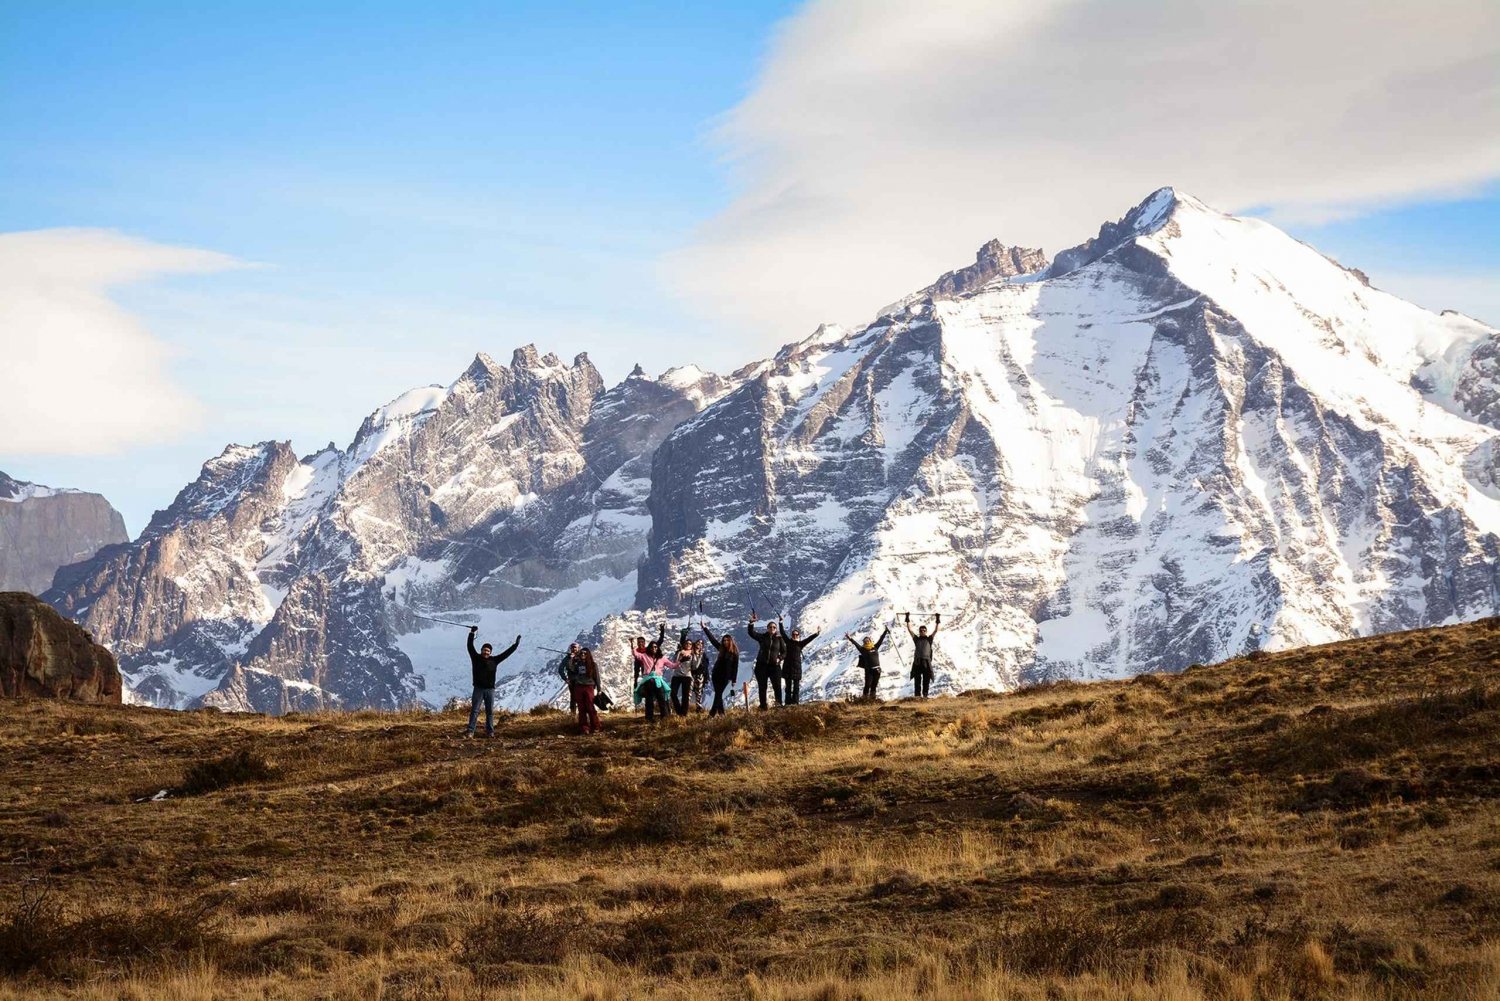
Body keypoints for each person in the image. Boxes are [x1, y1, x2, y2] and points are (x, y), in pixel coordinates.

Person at [465, 627, 521, 737]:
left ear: (490, 652)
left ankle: (490, 732)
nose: (486, 652)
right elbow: (470, 646)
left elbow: (506, 653)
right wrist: (471, 633)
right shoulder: (476, 658)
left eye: (488, 651)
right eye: (484, 650)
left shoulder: (494, 660)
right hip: (478, 689)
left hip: (490, 690)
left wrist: (516, 645)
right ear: (481, 651)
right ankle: (470, 731)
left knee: (489, 712)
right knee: (475, 710)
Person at [746, 613, 787, 709]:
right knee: (762, 687)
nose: (772, 628)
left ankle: (779, 705)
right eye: (770, 627)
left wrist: (780, 658)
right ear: (767, 628)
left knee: (777, 687)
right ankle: (763, 706)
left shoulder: (779, 639)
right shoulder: (762, 637)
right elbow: (751, 633)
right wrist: (751, 623)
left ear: (776, 629)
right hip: (762, 666)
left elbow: (785, 652)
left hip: (775, 666)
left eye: (774, 627)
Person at [701, 622, 740, 717]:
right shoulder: (721, 648)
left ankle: (712, 714)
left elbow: (735, 667)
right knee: (718, 694)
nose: (725, 642)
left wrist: (734, 679)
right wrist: (705, 628)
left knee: (718, 694)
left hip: (726, 677)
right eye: (724, 640)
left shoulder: (735, 653)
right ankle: (721, 713)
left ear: (730, 641)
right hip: (716, 675)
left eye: (727, 640)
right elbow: (712, 640)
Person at [844, 626, 889, 701]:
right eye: (865, 641)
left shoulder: (875, 647)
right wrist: (849, 638)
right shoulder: (863, 649)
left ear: (870, 641)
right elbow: (856, 644)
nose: (867, 641)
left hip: (877, 669)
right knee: (867, 685)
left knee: (874, 685)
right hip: (869, 670)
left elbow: (881, 640)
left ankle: (872, 699)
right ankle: (864, 699)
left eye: (868, 640)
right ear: (864, 642)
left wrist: (885, 632)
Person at [781, 620, 821, 706]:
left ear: (799, 636)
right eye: (793, 634)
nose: (795, 636)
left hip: (796, 668)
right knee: (788, 687)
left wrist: (817, 634)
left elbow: (809, 639)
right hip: (787, 667)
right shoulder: (788, 642)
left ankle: (795, 702)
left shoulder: (801, 644)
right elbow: (782, 633)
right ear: (791, 635)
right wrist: (780, 623)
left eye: (796, 635)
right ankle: (788, 702)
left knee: (796, 687)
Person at [633, 638, 672, 723]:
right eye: (652, 647)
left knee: (661, 698)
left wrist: (680, 661)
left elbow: (672, 665)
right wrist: (633, 646)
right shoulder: (644, 656)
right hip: (649, 680)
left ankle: (664, 717)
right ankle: (650, 718)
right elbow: (635, 654)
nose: (654, 648)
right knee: (650, 699)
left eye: (655, 647)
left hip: (657, 680)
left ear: (657, 648)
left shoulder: (662, 658)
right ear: (649, 648)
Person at [905, 613, 941, 698]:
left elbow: (936, 630)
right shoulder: (916, 639)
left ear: (926, 631)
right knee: (917, 680)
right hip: (917, 662)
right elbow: (910, 630)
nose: (922, 632)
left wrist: (937, 619)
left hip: (926, 662)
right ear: (919, 631)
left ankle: (925, 695)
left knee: (926, 679)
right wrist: (907, 618)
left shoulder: (929, 639)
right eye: (921, 630)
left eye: (924, 630)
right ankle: (917, 696)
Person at [568, 647, 601, 735]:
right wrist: (571, 658)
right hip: (579, 687)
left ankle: (595, 726)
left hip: (589, 687)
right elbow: (571, 668)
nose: (583, 655)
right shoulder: (577, 664)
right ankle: (584, 728)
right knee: (581, 708)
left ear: (588, 655)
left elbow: (597, 677)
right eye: (581, 653)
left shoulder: (593, 665)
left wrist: (599, 689)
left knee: (590, 707)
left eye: (585, 654)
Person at [670, 636, 700, 716]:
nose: (688, 645)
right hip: (676, 675)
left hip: (687, 676)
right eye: (686, 643)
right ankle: (679, 710)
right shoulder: (679, 652)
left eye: (690, 644)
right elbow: (674, 662)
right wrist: (679, 654)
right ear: (684, 644)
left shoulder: (693, 654)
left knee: (685, 696)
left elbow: (695, 666)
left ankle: (684, 714)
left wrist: (697, 656)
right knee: (673, 693)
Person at [557, 643, 581, 712]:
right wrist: (565, 679)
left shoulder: (581, 657)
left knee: (580, 697)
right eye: (572, 648)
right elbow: (560, 669)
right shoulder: (567, 658)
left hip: (581, 680)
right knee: (573, 697)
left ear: (578, 648)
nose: (574, 649)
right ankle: (573, 714)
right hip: (572, 680)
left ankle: (582, 714)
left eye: (575, 647)